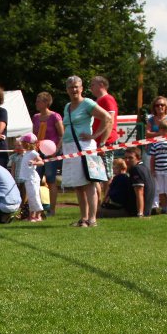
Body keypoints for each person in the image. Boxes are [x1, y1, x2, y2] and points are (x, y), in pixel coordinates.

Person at [62, 76, 114, 227]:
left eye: (76, 86)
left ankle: (92, 218)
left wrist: (95, 136)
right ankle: (83, 218)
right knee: (78, 184)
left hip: (85, 147)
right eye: (71, 87)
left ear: (82, 88)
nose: (74, 90)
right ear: (67, 90)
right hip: (70, 147)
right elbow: (67, 127)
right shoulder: (67, 106)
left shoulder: (88, 103)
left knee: (89, 183)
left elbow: (107, 118)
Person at [31, 92, 63, 216]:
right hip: (39, 153)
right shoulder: (35, 117)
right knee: (36, 180)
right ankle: (38, 209)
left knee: (51, 180)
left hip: (51, 153)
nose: (36, 103)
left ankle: (52, 210)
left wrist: (56, 150)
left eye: (38, 100)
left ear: (45, 102)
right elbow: (34, 135)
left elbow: (61, 135)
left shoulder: (55, 116)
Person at [146, 104, 167, 215]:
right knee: (161, 190)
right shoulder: (156, 143)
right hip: (159, 170)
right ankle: (164, 208)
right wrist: (152, 170)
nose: (166, 132)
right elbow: (153, 158)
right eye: (163, 130)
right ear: (160, 130)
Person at [97, 150, 147, 218]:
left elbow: (111, 193)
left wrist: (104, 201)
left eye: (115, 168)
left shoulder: (119, 178)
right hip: (131, 207)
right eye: (125, 157)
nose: (127, 160)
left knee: (97, 212)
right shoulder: (130, 175)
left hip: (125, 209)